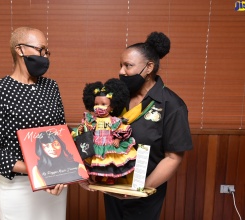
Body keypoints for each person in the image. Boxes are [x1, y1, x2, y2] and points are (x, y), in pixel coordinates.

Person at [100, 32, 193, 219]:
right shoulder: (117, 98)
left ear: (149, 67)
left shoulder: (172, 105)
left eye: (128, 66)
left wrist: (140, 189)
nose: (121, 71)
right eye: (121, 65)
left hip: (145, 193)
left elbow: (173, 158)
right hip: (113, 188)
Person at [0, 27, 68, 220]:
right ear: (20, 50)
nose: (44, 56)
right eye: (40, 50)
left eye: (46, 52)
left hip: (55, 187)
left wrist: (63, 173)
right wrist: (36, 170)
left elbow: (60, 135)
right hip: (19, 190)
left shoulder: (51, 87)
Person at [76, 78, 137, 184]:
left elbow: (122, 129)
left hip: (109, 144)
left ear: (112, 106)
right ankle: (99, 176)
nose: (99, 107)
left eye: (103, 104)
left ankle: (111, 177)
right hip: (96, 145)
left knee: (110, 161)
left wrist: (118, 139)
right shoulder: (92, 119)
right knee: (98, 161)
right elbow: (88, 128)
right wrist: (82, 129)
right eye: (96, 104)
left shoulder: (114, 120)